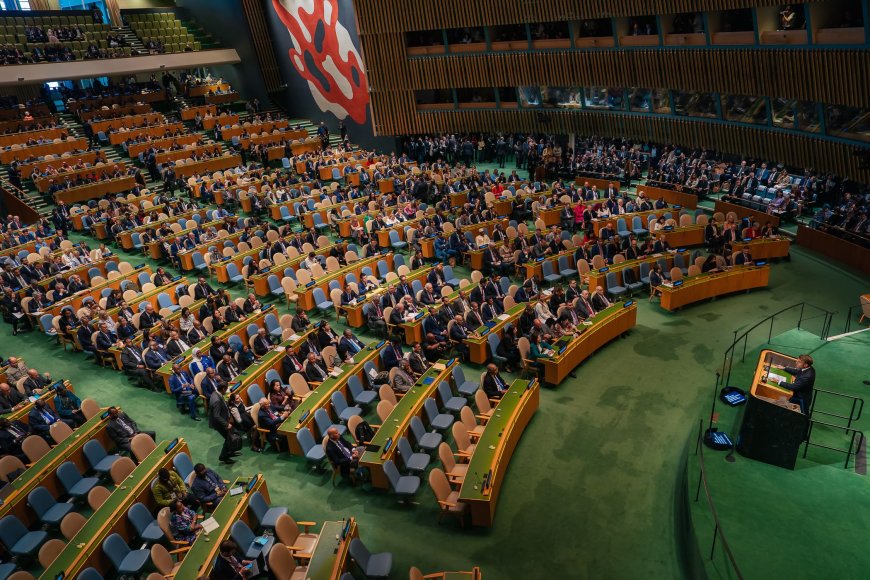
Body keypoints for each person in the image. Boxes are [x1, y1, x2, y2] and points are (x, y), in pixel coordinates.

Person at [208, 382, 237, 465]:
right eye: (226, 388)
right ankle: (224, 456)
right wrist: (226, 424)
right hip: (220, 423)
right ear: (223, 389)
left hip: (223, 420)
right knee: (229, 438)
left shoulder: (216, 393)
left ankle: (230, 452)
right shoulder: (216, 400)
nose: (227, 390)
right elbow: (216, 416)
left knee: (230, 437)